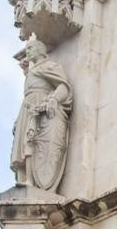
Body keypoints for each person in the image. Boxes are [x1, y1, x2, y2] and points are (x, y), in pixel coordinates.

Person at [9, 38, 72, 191]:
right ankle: (24, 178)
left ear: (39, 49)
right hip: (27, 108)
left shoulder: (49, 66)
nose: (27, 52)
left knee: (32, 141)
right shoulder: (32, 71)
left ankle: (32, 180)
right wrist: (18, 120)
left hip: (39, 107)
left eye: (30, 48)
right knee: (24, 144)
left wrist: (54, 100)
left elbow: (63, 86)